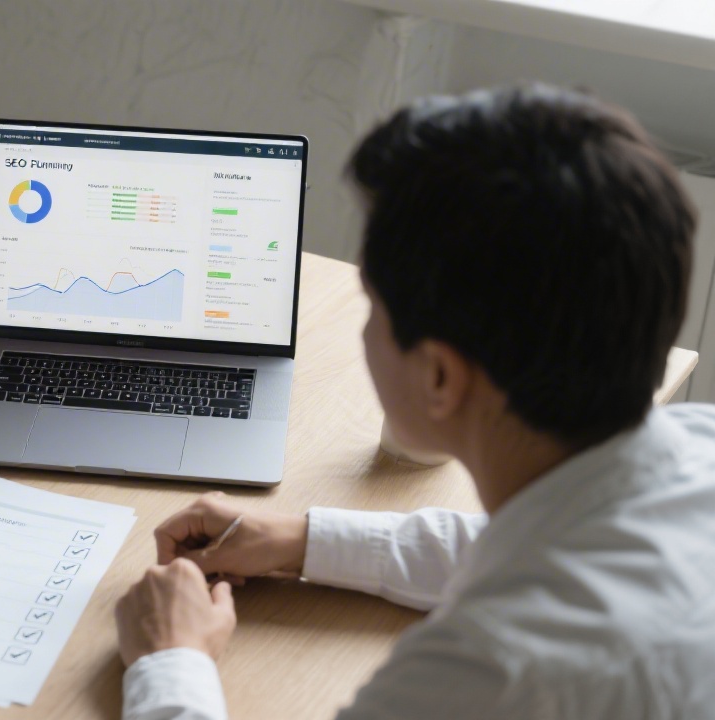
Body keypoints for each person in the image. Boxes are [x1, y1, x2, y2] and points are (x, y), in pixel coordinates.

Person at [115, 83, 715, 719]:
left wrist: (170, 660)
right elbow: (554, 537)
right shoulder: (695, 447)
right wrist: (303, 540)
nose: (365, 329)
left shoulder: (492, 672)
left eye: (373, 305)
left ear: (439, 377)